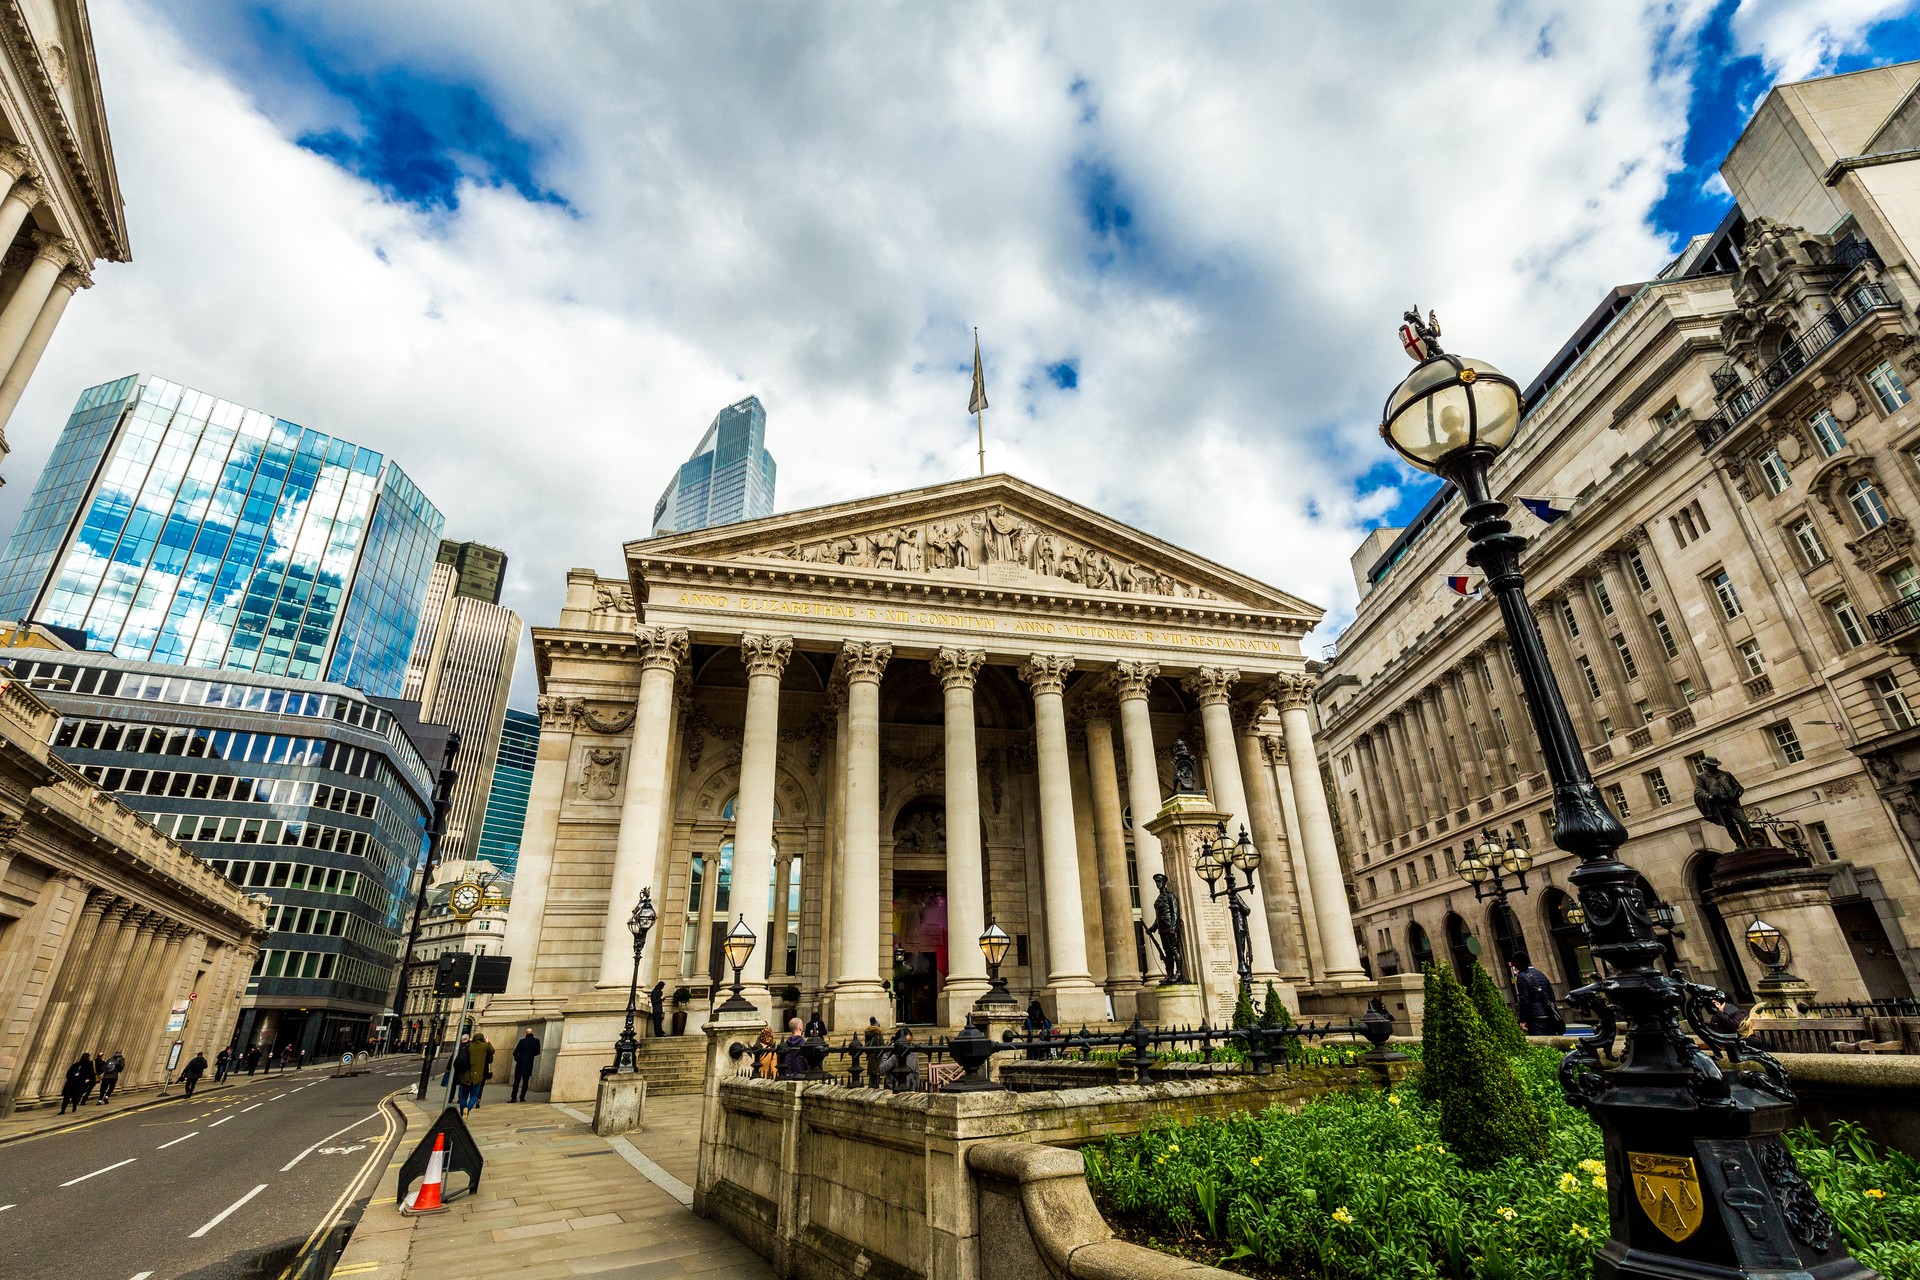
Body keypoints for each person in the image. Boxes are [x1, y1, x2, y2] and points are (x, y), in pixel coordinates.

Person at [1508, 951, 1565, 1036]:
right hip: (1549, 1013)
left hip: (1535, 1016)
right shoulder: (1540, 974)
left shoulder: (1521, 976)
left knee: (1540, 1043)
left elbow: (1524, 999)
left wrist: (1522, 1020)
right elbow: (1552, 996)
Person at [457, 1032, 494, 1114]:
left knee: (463, 1097)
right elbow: (492, 1051)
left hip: (466, 1075)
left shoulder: (469, 1046)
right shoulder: (485, 1046)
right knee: (474, 1096)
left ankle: (462, 1113)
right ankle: (468, 1109)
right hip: (477, 1076)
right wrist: (487, 1042)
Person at [509, 1027, 541, 1102]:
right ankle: (522, 1097)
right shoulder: (536, 1041)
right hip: (529, 1063)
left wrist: (517, 1059)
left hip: (520, 1063)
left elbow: (515, 1052)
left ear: (526, 1034)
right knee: (525, 1081)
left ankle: (513, 1097)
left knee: (517, 1080)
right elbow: (538, 1052)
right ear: (532, 1033)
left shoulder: (522, 1041)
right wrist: (531, 1055)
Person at [862, 1017, 884, 1088]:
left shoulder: (868, 1034)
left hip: (871, 1057)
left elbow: (866, 1047)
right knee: (875, 1079)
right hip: (877, 1057)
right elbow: (882, 1047)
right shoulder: (878, 1035)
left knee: (872, 1078)